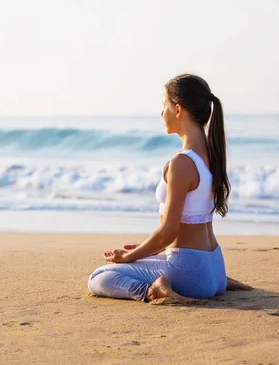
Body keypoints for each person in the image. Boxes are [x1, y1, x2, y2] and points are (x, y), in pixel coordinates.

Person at [87, 74, 251, 302]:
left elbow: (169, 231)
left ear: (178, 110)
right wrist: (146, 250)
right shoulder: (212, 155)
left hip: (190, 273)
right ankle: (213, 278)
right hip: (214, 267)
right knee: (145, 259)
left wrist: (130, 256)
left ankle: (152, 291)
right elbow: (184, 228)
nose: (161, 112)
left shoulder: (182, 164)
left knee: (99, 277)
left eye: (164, 105)